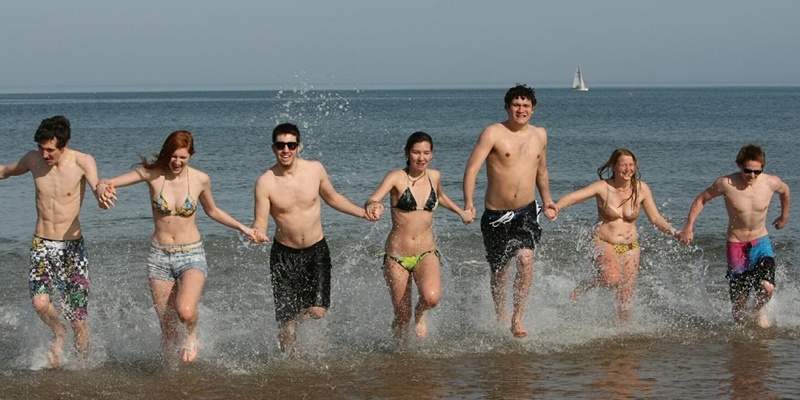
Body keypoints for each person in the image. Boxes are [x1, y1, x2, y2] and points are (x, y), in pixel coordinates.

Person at [97, 130, 261, 364]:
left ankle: (193, 333)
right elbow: (108, 181)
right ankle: (171, 378)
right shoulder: (152, 174)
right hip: (159, 257)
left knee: (185, 312)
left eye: (183, 157)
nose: (177, 162)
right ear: (167, 154)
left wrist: (244, 229)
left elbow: (213, 211)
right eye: (173, 156)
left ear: (190, 155)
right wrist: (102, 186)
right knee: (168, 328)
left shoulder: (200, 179)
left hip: (191, 253)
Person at [252, 123, 377, 356]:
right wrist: (257, 232)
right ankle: (291, 362)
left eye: (290, 145)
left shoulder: (315, 170)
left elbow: (333, 198)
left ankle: (294, 319)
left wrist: (362, 212)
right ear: (273, 148)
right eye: (280, 145)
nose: (285, 149)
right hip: (284, 255)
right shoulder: (266, 182)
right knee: (286, 320)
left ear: (299, 147)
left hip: (316, 251)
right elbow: (260, 220)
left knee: (317, 311)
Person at [0, 116, 110, 367]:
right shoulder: (33, 160)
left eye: (50, 149)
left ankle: (83, 367)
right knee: (40, 303)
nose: (44, 154)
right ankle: (58, 334)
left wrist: (102, 193)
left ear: (65, 144)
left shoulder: (83, 161)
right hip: (41, 243)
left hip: (71, 248)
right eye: (41, 148)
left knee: (78, 319)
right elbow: (5, 171)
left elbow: (96, 186)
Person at [462, 84, 558, 338]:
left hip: (526, 211)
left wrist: (547, 200)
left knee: (526, 260)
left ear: (533, 109)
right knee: (500, 271)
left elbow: (542, 171)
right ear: (507, 107)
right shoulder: (493, 133)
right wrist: (468, 203)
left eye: (526, 106)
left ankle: (517, 317)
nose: (521, 110)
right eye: (516, 105)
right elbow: (471, 169)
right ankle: (500, 315)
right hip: (496, 215)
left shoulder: (540, 135)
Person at [365, 132, 472, 346]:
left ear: (432, 154)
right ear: (407, 153)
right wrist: (373, 206)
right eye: (416, 152)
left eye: (426, 153)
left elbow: (440, 196)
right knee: (401, 316)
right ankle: (401, 352)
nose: (421, 158)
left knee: (431, 298)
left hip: (426, 251)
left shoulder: (435, 176)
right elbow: (374, 197)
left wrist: (461, 211)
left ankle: (420, 313)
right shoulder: (395, 177)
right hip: (397, 256)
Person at [553, 148, 680, 321]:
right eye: (623, 165)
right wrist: (557, 207)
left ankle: (623, 332)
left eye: (631, 165)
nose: (628, 169)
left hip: (631, 246)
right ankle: (585, 286)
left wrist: (675, 233)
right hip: (603, 241)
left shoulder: (641, 189)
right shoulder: (602, 187)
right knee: (611, 278)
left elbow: (656, 218)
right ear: (613, 166)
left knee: (625, 297)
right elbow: (574, 197)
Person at [678, 143, 790, 328]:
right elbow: (701, 199)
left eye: (757, 171)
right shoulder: (726, 184)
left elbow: (785, 191)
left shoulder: (771, 183)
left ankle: (757, 310)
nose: (752, 176)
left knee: (767, 287)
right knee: (738, 302)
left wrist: (784, 216)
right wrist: (688, 227)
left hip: (761, 241)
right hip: (736, 244)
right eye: (748, 171)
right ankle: (739, 341)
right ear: (740, 165)